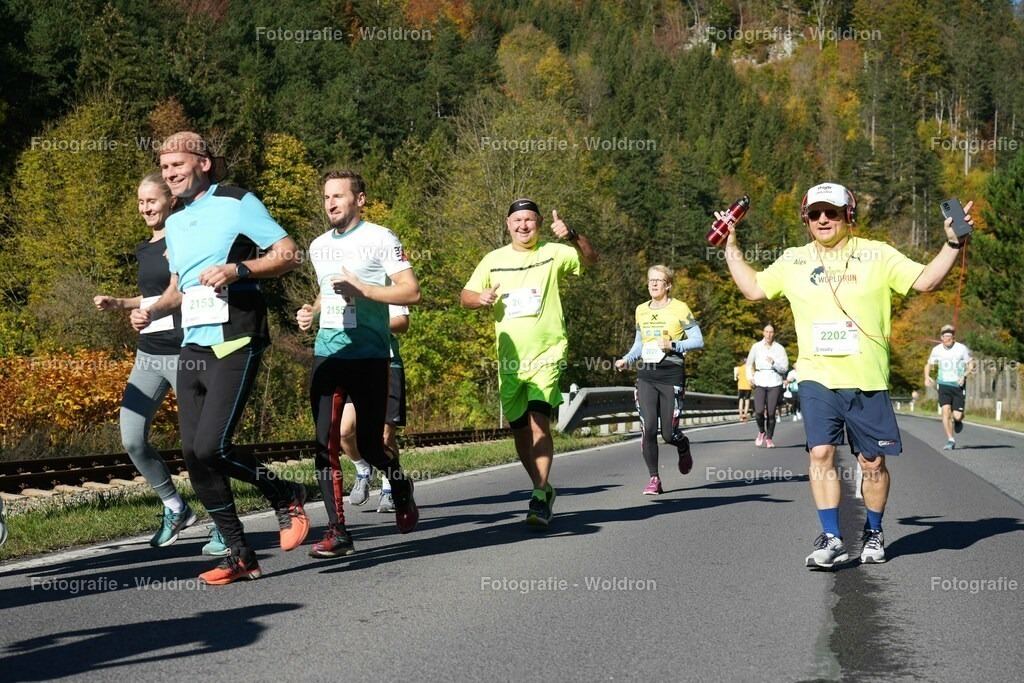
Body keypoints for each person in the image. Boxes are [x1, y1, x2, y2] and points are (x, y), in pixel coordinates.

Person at [721, 182, 974, 568]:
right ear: (806, 219)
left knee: (872, 464)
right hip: (817, 376)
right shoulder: (794, 260)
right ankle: (832, 536)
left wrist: (953, 244)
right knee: (820, 452)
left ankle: (873, 530)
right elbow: (754, 289)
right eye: (815, 213)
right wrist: (731, 246)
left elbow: (926, 281)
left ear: (848, 215)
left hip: (868, 379)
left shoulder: (876, 254)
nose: (823, 219)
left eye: (832, 212)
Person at [132, 131, 309, 585]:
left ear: (204, 163)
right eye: (165, 167)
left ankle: (284, 492)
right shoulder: (174, 221)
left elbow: (289, 253)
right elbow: (177, 290)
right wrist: (148, 310)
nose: (170, 173)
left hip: (237, 336)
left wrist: (239, 269)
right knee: (193, 454)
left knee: (214, 445)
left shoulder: (237, 201)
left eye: (178, 165)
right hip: (192, 343)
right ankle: (240, 554)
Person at [95, 172, 229, 553]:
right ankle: (175, 507)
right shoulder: (145, 247)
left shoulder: (184, 236)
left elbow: (188, 291)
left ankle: (222, 522)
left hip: (184, 353)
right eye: (140, 203)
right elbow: (152, 297)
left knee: (198, 447)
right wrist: (121, 305)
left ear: (170, 199)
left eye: (150, 201)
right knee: (132, 438)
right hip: (148, 354)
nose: (144, 208)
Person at [297, 170, 421, 559]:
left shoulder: (381, 238)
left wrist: (365, 290)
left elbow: (411, 291)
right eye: (326, 197)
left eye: (338, 196)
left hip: (369, 354)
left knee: (370, 443)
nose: (330, 203)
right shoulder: (318, 246)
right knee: (325, 444)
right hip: (328, 353)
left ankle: (400, 486)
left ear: (360, 200)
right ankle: (337, 530)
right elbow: (326, 288)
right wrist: (311, 312)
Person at [461, 199, 598, 525]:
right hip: (510, 360)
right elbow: (465, 296)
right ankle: (543, 487)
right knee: (519, 429)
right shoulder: (493, 260)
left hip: (547, 352)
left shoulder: (554, 252)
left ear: (538, 224)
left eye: (530, 221)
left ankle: (538, 493)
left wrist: (573, 235)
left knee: (539, 421)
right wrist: (480, 298)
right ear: (508, 224)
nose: (524, 226)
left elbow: (592, 260)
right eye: (518, 220)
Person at [614, 265, 704, 495]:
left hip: (671, 375)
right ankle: (654, 477)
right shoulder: (640, 310)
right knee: (649, 428)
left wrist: (673, 345)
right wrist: (627, 359)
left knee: (668, 434)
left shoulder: (680, 309)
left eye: (659, 280)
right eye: (650, 280)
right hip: (646, 374)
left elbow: (698, 340)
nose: (653, 284)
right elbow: (639, 344)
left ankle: (682, 445)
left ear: (668, 285)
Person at [341, 304, 410, 514]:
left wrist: (369, 323)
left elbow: (402, 323)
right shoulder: (345, 285)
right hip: (354, 365)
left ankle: (389, 487)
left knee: (385, 436)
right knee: (345, 431)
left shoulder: (390, 282)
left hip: (387, 363)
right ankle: (363, 470)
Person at [924, 324, 977, 450]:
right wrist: (927, 376)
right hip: (943, 385)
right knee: (945, 412)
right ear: (941, 337)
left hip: (958, 385)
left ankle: (958, 421)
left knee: (957, 415)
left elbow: (972, 364)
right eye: (945, 336)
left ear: (953, 337)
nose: (947, 338)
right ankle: (950, 439)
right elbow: (928, 364)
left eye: (950, 336)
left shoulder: (961, 349)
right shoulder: (936, 350)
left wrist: (964, 375)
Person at [745, 324, 789, 448]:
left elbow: (784, 368)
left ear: (774, 333)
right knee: (758, 411)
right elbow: (749, 364)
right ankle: (761, 431)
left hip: (774, 381)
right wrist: (750, 377)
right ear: (763, 333)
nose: (769, 334)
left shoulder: (780, 349)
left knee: (771, 412)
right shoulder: (756, 347)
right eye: (766, 332)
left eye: (771, 332)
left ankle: (769, 438)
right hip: (759, 380)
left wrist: (774, 363)